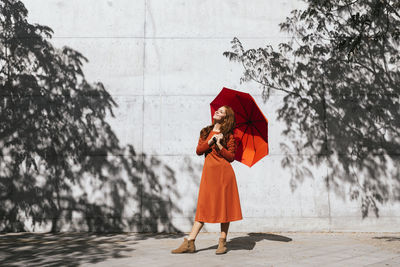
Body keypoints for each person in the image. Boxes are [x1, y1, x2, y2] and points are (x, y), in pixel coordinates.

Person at [171, 105, 242, 255]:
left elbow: (231, 158)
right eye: (218, 110)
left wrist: (219, 144)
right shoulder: (205, 131)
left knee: (224, 206)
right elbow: (198, 151)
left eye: (221, 111)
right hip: (209, 174)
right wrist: (211, 141)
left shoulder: (229, 135)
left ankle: (222, 242)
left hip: (224, 174)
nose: (217, 111)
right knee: (203, 206)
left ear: (225, 117)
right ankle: (190, 242)